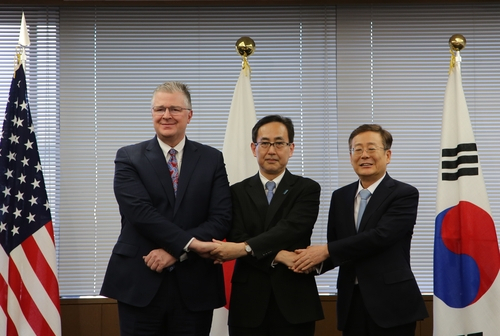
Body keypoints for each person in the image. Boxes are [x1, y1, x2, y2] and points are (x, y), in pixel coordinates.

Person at [100, 81, 232, 336]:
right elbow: (140, 214)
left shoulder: (212, 158)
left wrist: (177, 251)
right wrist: (191, 244)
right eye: (159, 109)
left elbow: (221, 218)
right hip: (139, 280)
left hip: (195, 284)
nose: (166, 115)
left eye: (175, 109)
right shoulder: (128, 157)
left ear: (189, 115)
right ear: (152, 114)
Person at [293, 124, 428, 336]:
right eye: (357, 149)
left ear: (388, 155)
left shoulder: (404, 194)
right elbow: (338, 245)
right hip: (351, 302)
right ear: (350, 156)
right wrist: (307, 262)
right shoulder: (340, 197)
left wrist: (326, 250)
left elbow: (380, 236)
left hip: (392, 303)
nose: (364, 155)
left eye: (372, 148)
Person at [210, 115, 324, 336]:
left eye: (279, 143)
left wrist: (245, 248)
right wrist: (279, 256)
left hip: (295, 299)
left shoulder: (307, 188)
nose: (272, 150)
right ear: (254, 148)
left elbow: (292, 230)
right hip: (248, 300)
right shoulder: (235, 192)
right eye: (265, 143)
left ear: (291, 148)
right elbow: (236, 234)